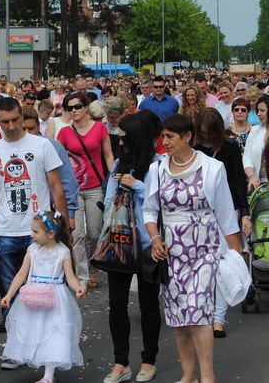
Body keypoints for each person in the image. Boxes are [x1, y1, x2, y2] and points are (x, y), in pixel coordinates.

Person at [143, 114, 242, 383]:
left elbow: (225, 215)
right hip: (171, 252)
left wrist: (236, 254)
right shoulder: (158, 169)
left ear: (187, 137)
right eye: (163, 137)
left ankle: (208, 376)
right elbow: (149, 211)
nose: (165, 142)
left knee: (198, 314)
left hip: (204, 249)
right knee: (177, 318)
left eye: (170, 137)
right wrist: (154, 239)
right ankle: (188, 375)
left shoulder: (212, 168)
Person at [0, 98, 69, 340]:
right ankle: (15, 342)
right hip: (6, 231)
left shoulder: (42, 145)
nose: (11, 125)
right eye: (5, 121)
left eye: (15, 119)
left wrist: (62, 224)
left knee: (42, 288)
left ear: (22, 116)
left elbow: (56, 187)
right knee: (9, 288)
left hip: (40, 232)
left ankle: (43, 340)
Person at [102, 113, 162, 383]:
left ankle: (149, 360)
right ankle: (120, 362)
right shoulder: (118, 163)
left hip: (149, 245)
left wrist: (136, 185)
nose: (120, 143)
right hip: (120, 242)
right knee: (117, 303)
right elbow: (107, 200)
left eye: (125, 139)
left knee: (148, 305)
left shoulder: (158, 165)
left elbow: (159, 201)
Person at [0, 211, 85, 383]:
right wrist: (9, 294)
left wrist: (78, 288)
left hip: (55, 297)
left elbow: (70, 277)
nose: (32, 235)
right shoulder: (32, 250)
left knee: (54, 333)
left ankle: (48, 375)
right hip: (33, 296)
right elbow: (21, 274)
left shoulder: (63, 252)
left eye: (35, 232)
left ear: (50, 234)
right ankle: (42, 365)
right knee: (34, 330)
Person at [194, 108, 251, 338]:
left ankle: (218, 318)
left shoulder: (229, 149)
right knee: (201, 265)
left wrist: (244, 213)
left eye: (210, 133)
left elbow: (238, 181)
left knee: (222, 264)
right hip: (198, 212)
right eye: (202, 133)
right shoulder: (194, 150)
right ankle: (204, 312)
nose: (206, 138)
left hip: (225, 211)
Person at [57, 92, 114, 288]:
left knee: (96, 232)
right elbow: (58, 161)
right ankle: (82, 276)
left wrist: (114, 181)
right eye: (69, 108)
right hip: (73, 191)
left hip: (95, 187)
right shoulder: (64, 133)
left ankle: (95, 267)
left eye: (77, 106)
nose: (74, 111)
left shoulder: (99, 128)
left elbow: (108, 156)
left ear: (86, 107)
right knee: (78, 233)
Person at [22, 106, 79, 226]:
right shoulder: (11, 148)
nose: (27, 133)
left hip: (50, 211)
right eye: (23, 129)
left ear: (38, 126)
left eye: (31, 128)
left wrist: (70, 213)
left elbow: (67, 180)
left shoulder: (53, 146)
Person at [243, 95, 269, 191]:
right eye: (258, 110)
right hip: (258, 185)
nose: (259, 114)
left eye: (262, 110)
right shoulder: (255, 130)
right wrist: (252, 177)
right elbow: (247, 157)